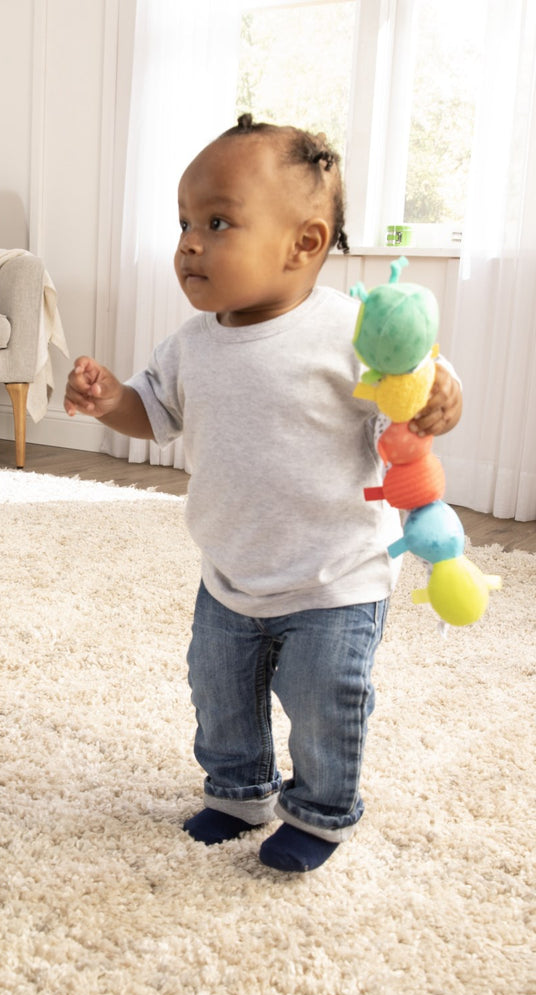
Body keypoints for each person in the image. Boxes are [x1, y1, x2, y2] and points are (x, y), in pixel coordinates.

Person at [64, 115, 462, 872]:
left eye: (217, 223)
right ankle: (239, 789)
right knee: (219, 692)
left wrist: (442, 394)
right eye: (184, 223)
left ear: (303, 243)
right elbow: (153, 413)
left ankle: (320, 810)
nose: (190, 243)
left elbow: (416, 380)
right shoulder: (191, 343)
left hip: (335, 577)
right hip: (231, 571)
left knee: (323, 699)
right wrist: (111, 397)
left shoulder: (350, 331)